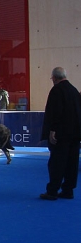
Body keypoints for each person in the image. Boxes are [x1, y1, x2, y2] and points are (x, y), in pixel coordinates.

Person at [39, 67, 81, 200]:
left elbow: (55, 112)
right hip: (75, 134)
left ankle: (52, 191)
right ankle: (68, 190)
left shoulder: (56, 90)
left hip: (61, 134)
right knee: (72, 163)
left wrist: (52, 130)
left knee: (57, 163)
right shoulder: (74, 91)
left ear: (54, 78)